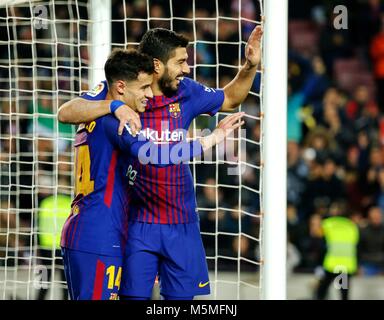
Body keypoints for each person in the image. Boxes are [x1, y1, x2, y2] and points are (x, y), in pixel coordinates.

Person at [58, 26, 262, 300]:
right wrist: (116, 107)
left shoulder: (186, 92)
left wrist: (249, 65)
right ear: (157, 65)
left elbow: (231, 97)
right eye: (180, 61)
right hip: (136, 224)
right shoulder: (117, 101)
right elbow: (67, 111)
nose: (187, 69)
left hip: (181, 221)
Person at [314, 201, 359, 300]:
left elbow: (317, 238)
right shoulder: (352, 226)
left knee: (321, 291)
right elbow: (356, 244)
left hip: (332, 264)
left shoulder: (327, 224)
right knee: (343, 294)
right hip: (346, 265)